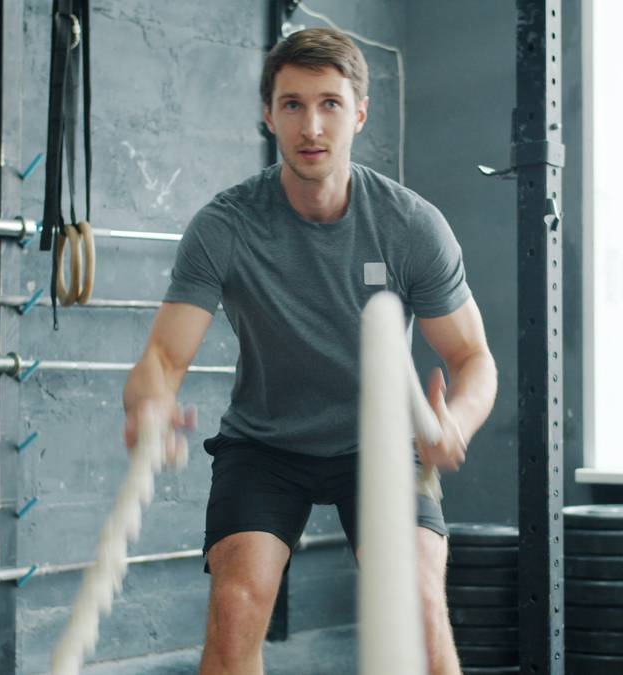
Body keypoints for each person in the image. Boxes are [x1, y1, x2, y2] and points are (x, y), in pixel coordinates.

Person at [122, 27, 497, 675]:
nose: (311, 125)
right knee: (236, 608)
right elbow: (162, 359)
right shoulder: (226, 226)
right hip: (266, 446)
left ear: (359, 112)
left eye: (329, 103)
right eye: (292, 104)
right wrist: (150, 406)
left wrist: (454, 425)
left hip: (382, 443)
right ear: (268, 115)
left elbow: (473, 359)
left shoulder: (410, 226)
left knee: (419, 603)